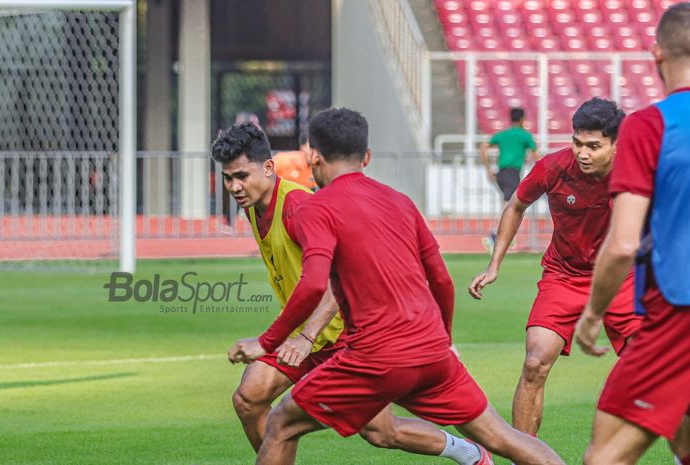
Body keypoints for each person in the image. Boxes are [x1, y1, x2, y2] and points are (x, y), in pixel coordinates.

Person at [230, 108, 565, 465]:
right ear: (367, 157)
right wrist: (445, 342)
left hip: (376, 358)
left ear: (312, 155)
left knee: (282, 423)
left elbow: (313, 284)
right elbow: (441, 280)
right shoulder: (401, 202)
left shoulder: (316, 208)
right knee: (503, 437)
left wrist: (265, 342)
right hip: (433, 351)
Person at [469, 98, 643, 442]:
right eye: (578, 142)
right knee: (535, 362)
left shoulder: (638, 171)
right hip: (564, 276)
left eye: (594, 146)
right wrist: (494, 265)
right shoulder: (553, 167)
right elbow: (516, 204)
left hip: (623, 277)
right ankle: (525, 456)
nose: (583, 153)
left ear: (616, 144)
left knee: (652, 367)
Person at [574, 4, 690, 464]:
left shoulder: (648, 125)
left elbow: (622, 243)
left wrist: (591, 314)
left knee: (603, 459)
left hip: (677, 312)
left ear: (656, 54)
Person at [480, 108, 540, 252]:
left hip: (502, 173)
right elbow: (536, 156)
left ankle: (502, 236)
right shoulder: (525, 136)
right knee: (510, 206)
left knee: (510, 205)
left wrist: (488, 168)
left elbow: (483, 147)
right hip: (512, 173)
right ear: (522, 120)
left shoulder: (503, 135)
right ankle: (494, 235)